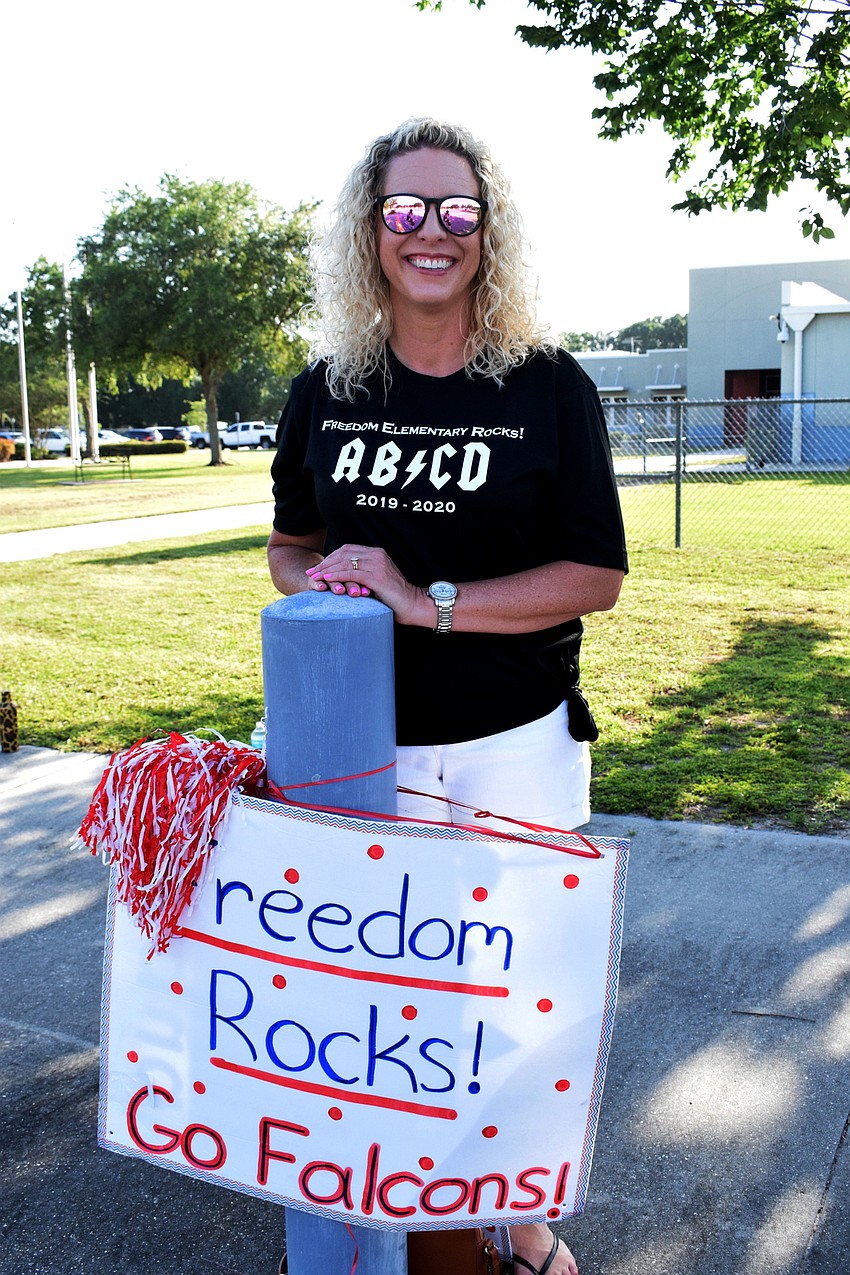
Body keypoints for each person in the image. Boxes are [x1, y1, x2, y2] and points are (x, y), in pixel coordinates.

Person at [267, 118, 627, 1275]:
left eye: (459, 209)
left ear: (488, 230)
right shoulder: (326, 391)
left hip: (512, 743)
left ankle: (518, 1221)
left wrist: (422, 600)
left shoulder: (547, 386)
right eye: (406, 208)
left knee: (515, 1000)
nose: (433, 230)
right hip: (358, 752)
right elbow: (289, 548)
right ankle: (386, 1201)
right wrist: (328, 582)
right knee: (379, 1001)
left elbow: (594, 575)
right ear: (369, 231)